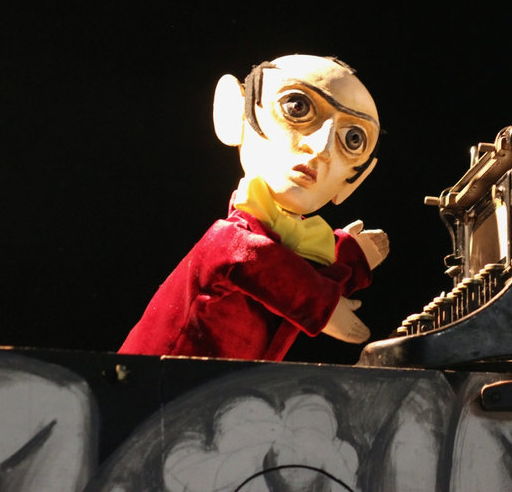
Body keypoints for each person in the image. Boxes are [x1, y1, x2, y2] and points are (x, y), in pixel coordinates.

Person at [119, 55, 388, 361]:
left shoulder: (285, 260)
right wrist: (321, 305)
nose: (321, 148)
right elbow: (246, 257)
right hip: (149, 385)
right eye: (297, 107)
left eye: (353, 139)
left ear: (354, 181)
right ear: (234, 113)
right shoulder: (231, 240)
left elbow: (288, 274)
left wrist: (347, 260)